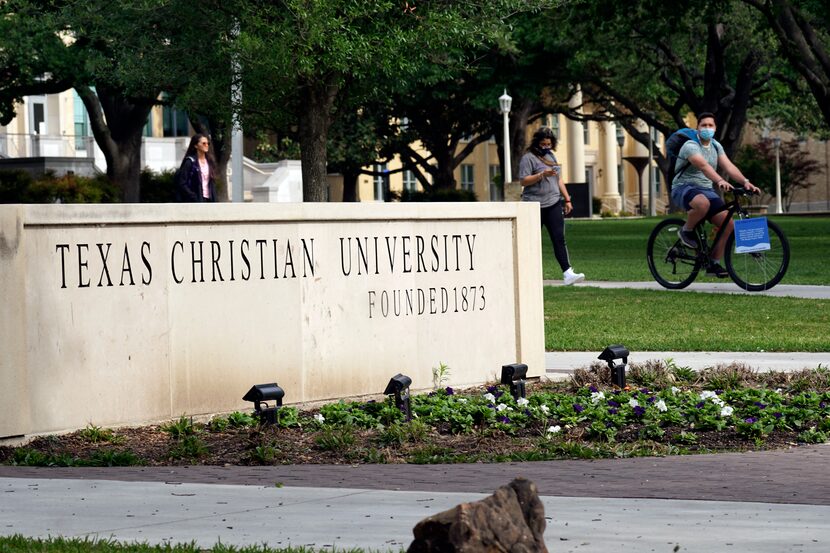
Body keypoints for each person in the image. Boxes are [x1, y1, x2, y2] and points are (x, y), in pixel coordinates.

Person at [670, 112, 760, 277]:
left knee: (729, 224)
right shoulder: (690, 145)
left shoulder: (716, 146)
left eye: (710, 125)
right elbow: (703, 166)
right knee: (702, 204)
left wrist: (745, 182)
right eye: (704, 125)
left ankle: (713, 264)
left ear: (715, 128)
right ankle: (686, 231)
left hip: (705, 190)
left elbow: (729, 167)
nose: (707, 128)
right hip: (684, 187)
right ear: (697, 127)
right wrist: (719, 181)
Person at [518, 127, 585, 285]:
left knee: (559, 238)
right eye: (543, 144)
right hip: (533, 205)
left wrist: (567, 199)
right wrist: (541, 175)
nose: (546, 147)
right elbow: (523, 180)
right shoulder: (528, 158)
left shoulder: (551, 156)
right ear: (537, 143)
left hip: (553, 203)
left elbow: (559, 180)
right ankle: (525, 274)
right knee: (530, 241)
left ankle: (568, 273)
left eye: (549, 144)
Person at [176, 133, 217, 202]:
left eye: (208, 143)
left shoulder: (209, 161)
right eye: (204, 143)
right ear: (196, 145)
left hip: (209, 199)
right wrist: (193, 196)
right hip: (196, 200)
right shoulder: (190, 162)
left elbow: (211, 182)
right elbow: (182, 183)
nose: (206, 145)